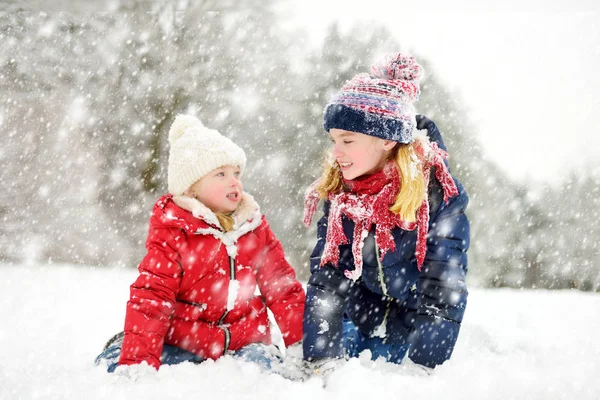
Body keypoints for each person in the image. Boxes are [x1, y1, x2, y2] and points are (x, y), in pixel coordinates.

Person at [95, 115, 305, 373]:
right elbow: (153, 295)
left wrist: (302, 345)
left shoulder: (253, 228)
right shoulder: (175, 232)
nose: (234, 181)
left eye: (236, 173)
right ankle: (126, 348)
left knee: (269, 373)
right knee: (114, 364)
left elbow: (283, 288)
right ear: (191, 189)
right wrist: (138, 359)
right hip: (184, 341)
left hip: (244, 341)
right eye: (221, 174)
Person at [301, 52, 470, 373]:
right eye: (334, 140)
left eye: (347, 140)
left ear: (387, 141)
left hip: (413, 332)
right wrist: (322, 357)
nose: (336, 152)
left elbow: (443, 286)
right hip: (357, 322)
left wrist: (423, 368)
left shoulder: (437, 193)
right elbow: (328, 279)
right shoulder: (342, 194)